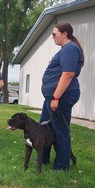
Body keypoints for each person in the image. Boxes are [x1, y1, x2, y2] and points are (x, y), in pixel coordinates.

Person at [40, 22, 84, 171]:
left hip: (62, 96)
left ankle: (61, 166)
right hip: (52, 96)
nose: (52, 37)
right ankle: (43, 158)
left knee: (61, 131)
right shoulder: (65, 49)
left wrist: (56, 98)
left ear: (65, 34)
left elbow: (68, 74)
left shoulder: (70, 48)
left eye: (54, 34)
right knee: (45, 127)